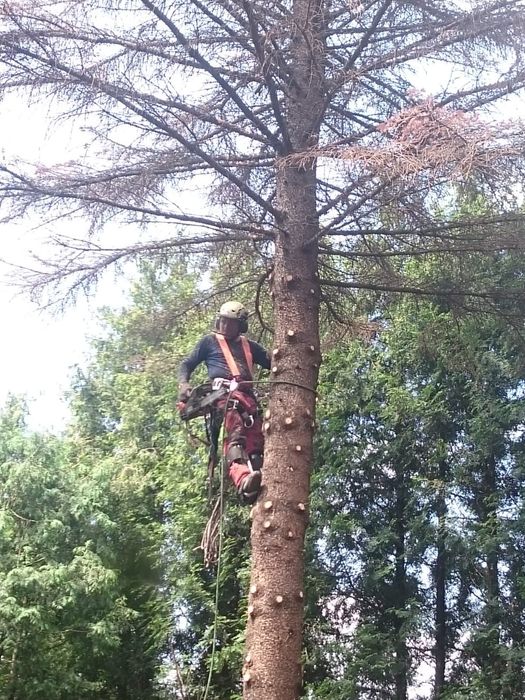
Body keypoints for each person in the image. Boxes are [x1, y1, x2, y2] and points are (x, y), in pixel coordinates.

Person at [178, 301, 270, 504]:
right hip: (223, 396)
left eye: (230, 323)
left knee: (256, 440)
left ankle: (257, 481)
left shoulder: (249, 346)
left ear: (241, 326)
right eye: (223, 322)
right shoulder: (209, 342)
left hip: (248, 398)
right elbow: (187, 363)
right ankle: (242, 478)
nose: (225, 326)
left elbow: (273, 361)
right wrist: (184, 385)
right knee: (235, 431)